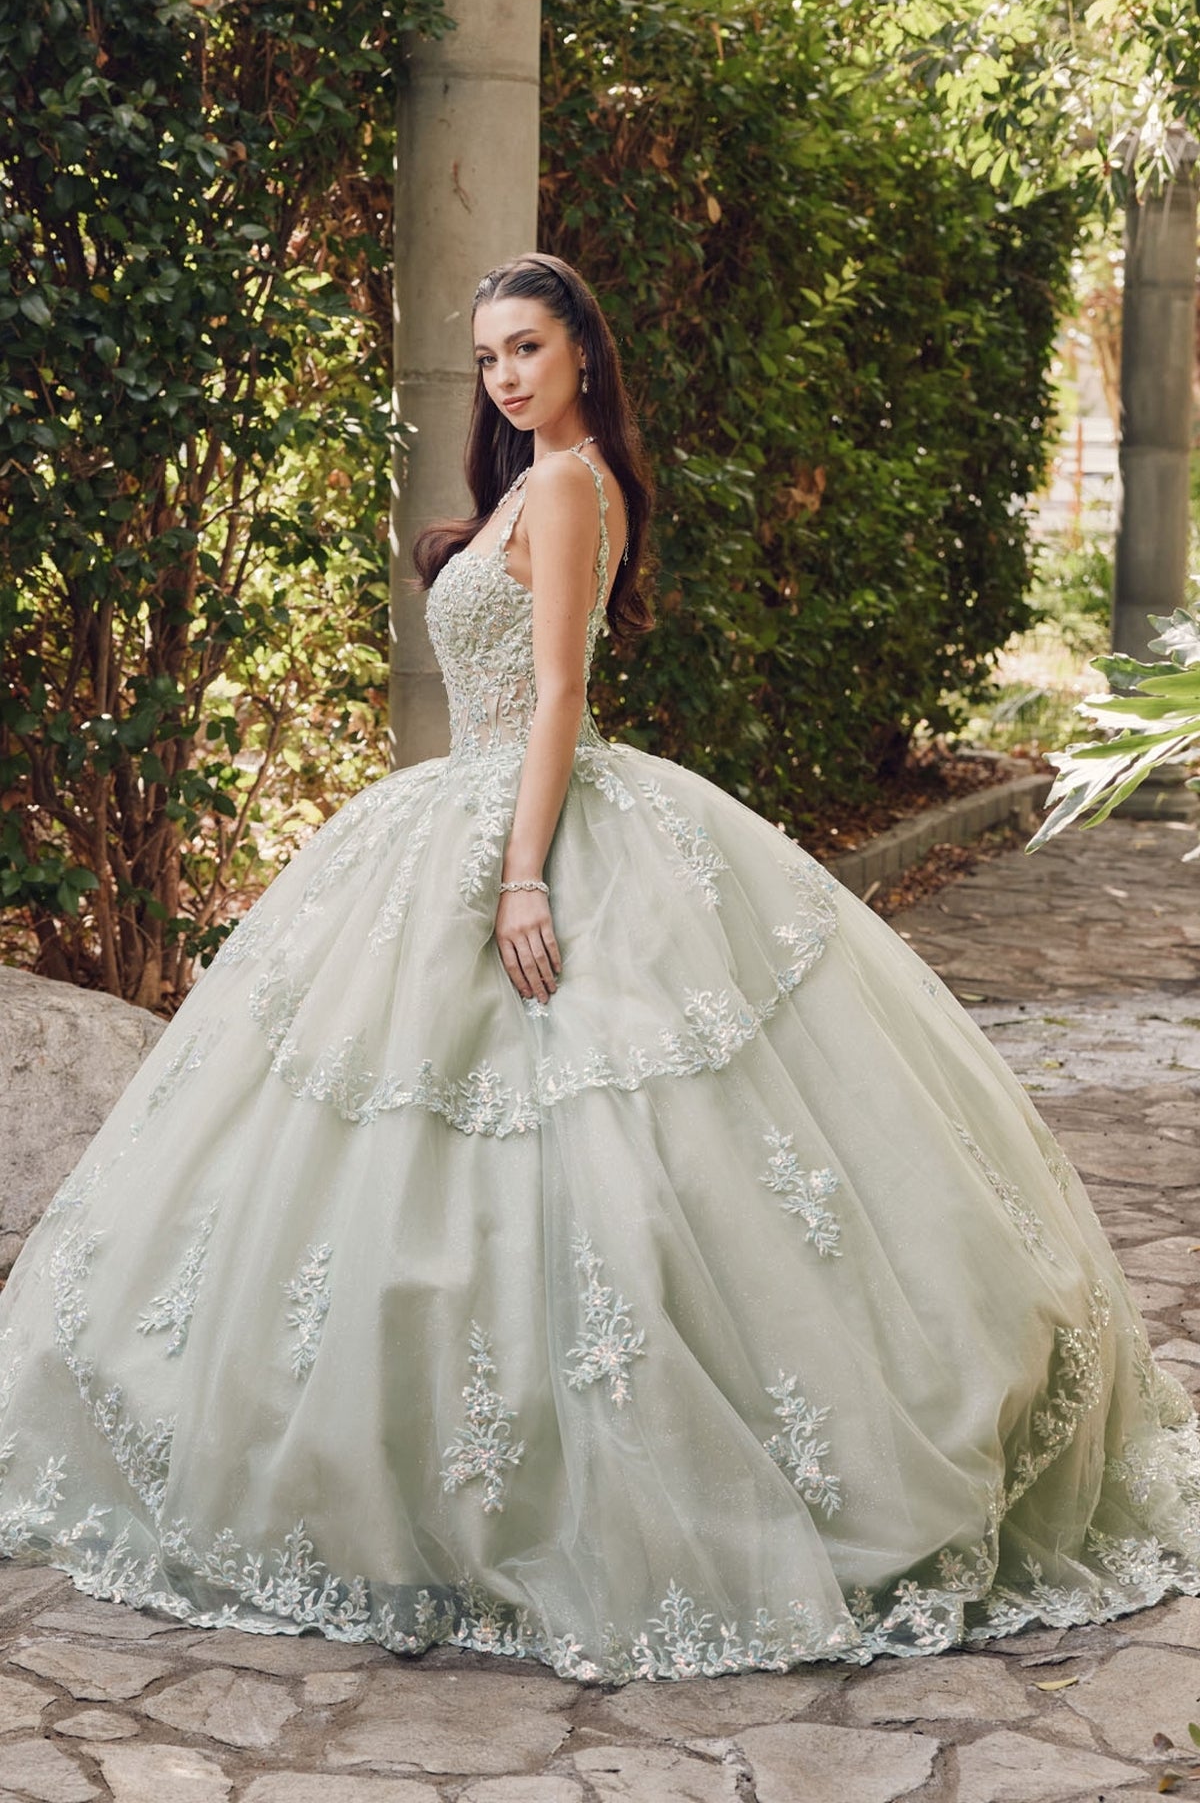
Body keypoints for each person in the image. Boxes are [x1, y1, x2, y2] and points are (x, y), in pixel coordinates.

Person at [0, 251, 1198, 1687]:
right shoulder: (527, 482)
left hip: (530, 822)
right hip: (462, 809)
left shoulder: (568, 487)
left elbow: (560, 687)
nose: (505, 374)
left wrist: (520, 875)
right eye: (489, 354)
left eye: (527, 347)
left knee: (589, 1140)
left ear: (583, 357)